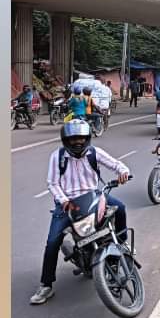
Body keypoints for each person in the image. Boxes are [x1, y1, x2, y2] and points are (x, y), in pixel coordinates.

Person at [30, 120, 130, 305]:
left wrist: (123, 171)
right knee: (52, 242)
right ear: (65, 140)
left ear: (87, 139)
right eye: (74, 139)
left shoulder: (94, 153)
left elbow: (115, 164)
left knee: (121, 208)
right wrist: (64, 200)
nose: (78, 142)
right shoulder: (57, 156)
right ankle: (46, 285)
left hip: (93, 196)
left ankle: (121, 245)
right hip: (67, 203)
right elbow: (52, 183)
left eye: (82, 138)